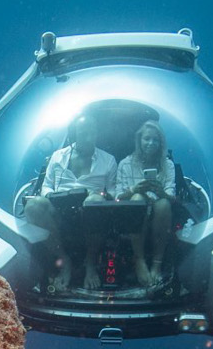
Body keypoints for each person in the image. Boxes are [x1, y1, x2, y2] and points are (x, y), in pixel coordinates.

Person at [22, 112, 115, 291]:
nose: (87, 135)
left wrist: (97, 196)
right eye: (83, 131)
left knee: (94, 202)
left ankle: (90, 263)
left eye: (91, 131)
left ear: (97, 133)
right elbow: (46, 187)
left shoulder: (108, 160)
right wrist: (54, 197)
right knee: (33, 205)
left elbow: (113, 192)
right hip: (58, 212)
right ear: (74, 134)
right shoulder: (58, 156)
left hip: (92, 212)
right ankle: (64, 260)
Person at [112, 119, 180, 287]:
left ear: (161, 143)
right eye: (147, 139)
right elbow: (117, 197)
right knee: (137, 199)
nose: (151, 143)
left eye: (155, 140)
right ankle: (139, 260)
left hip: (159, 212)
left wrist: (160, 192)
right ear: (139, 140)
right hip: (131, 212)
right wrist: (135, 190)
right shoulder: (125, 164)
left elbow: (172, 197)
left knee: (163, 203)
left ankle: (157, 264)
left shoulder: (167, 165)